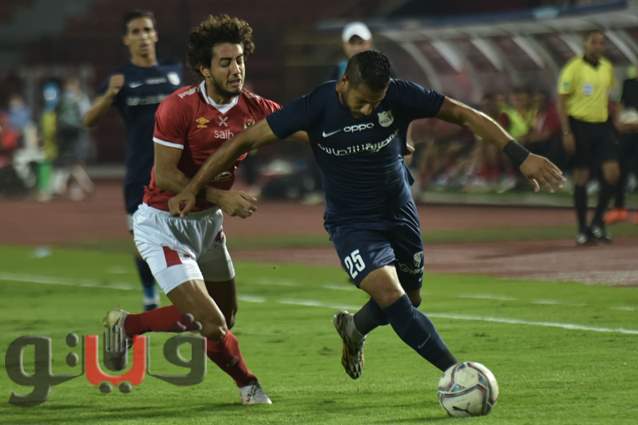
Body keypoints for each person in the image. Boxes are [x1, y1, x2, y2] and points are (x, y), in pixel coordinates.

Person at [168, 50, 564, 381]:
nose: (368, 109)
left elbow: (464, 114)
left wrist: (521, 156)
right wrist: (194, 188)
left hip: (400, 211)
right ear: (343, 83)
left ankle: (354, 327)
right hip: (352, 223)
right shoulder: (314, 106)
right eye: (361, 101)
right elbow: (243, 141)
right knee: (391, 295)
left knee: (411, 297)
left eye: (376, 102)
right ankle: (457, 374)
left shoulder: (400, 95)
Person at [103, 14, 279, 405]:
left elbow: (306, 125)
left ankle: (128, 326)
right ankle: (249, 385)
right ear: (204, 68)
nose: (236, 69)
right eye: (225, 62)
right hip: (164, 225)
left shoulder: (255, 107)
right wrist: (223, 197)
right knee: (212, 323)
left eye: (239, 60)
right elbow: (166, 176)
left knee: (224, 318)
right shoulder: (179, 107)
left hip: (207, 226)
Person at [83, 10, 183, 310]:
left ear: (155, 34)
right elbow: (88, 119)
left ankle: (185, 296)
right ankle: (150, 297)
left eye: (147, 30)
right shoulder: (121, 78)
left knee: (182, 235)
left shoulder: (175, 71)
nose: (143, 37)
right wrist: (110, 94)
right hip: (140, 170)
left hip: (178, 169)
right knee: (142, 240)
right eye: (136, 32)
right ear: (126, 39)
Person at [557, 29, 620, 245]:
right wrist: (567, 132)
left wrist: (616, 120)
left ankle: (597, 223)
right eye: (594, 42)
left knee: (612, 174)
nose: (598, 46)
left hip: (602, 125)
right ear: (584, 44)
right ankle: (582, 229)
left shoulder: (607, 67)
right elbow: (562, 100)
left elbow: (610, 97)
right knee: (581, 176)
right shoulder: (573, 67)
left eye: (601, 42)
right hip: (579, 125)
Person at [606, 69, 638, 225]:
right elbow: (620, 104)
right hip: (627, 132)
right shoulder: (628, 83)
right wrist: (618, 123)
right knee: (621, 168)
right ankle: (619, 209)